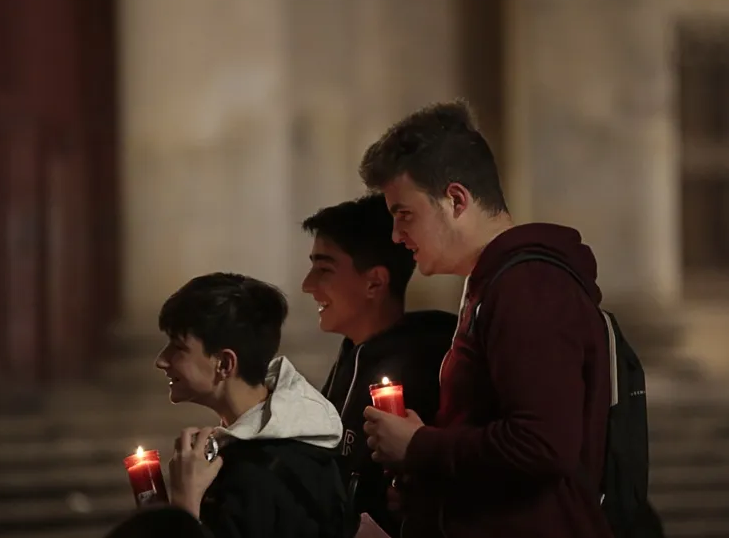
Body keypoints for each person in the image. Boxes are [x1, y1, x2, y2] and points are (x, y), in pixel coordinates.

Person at [358, 100, 613, 538]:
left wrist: (420, 446)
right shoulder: (495, 283)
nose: (397, 236)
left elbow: (542, 444)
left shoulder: (529, 287)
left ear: (456, 200)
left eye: (405, 215)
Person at [301, 194, 455, 536]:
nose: (307, 285)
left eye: (324, 269)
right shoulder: (352, 355)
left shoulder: (426, 366)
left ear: (374, 282)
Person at [154, 273, 351, 538]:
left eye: (178, 347)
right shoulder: (279, 444)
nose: (161, 360)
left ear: (225, 364)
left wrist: (184, 508)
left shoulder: (257, 476)